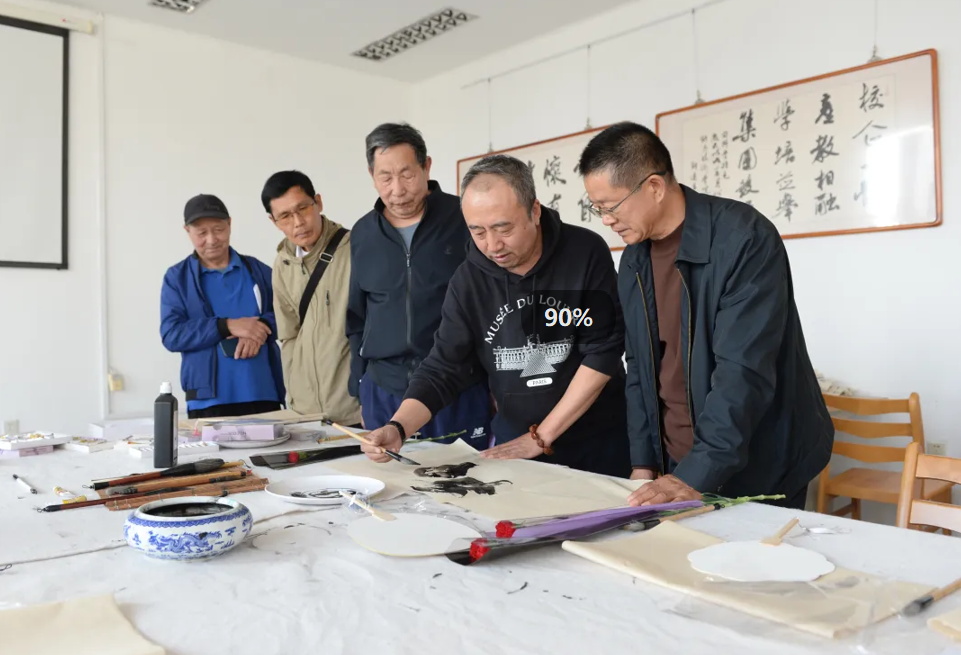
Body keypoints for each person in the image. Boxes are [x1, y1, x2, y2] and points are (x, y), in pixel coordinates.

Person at [577, 121, 834, 509]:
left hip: (758, 461)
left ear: (654, 187)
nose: (605, 220)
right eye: (596, 208)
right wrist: (644, 462)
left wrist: (696, 474)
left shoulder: (743, 238)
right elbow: (639, 366)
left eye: (610, 206)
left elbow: (742, 372)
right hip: (678, 463)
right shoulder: (633, 261)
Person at [358, 154, 631, 478]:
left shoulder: (584, 252)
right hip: (515, 447)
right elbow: (444, 367)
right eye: (478, 231)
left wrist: (541, 436)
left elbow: (602, 351)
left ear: (534, 211)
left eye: (503, 228)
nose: (492, 245)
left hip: (597, 443)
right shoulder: (468, 281)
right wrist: (398, 427)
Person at [346, 123, 491, 446]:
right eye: (385, 177)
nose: (397, 189)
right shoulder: (363, 233)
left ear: (426, 166)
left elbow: (491, 303)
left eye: (407, 174)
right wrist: (360, 386)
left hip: (458, 386)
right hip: (384, 390)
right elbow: (357, 318)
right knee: (389, 476)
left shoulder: (464, 218)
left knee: (465, 475)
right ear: (372, 175)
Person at [160, 193, 285, 419]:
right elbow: (172, 335)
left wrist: (260, 328)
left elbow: (288, 315)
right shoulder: (177, 278)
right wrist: (226, 326)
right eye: (201, 233)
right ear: (187, 231)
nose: (211, 239)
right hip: (207, 400)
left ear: (229, 224)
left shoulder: (259, 271)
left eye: (218, 229)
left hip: (263, 391)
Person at [263, 170, 361, 426]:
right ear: (274, 221)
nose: (298, 222)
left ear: (318, 202)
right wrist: (295, 397)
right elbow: (289, 336)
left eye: (303, 208)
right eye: (285, 216)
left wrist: (372, 400)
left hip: (355, 410)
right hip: (305, 414)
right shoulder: (282, 264)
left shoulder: (356, 248)